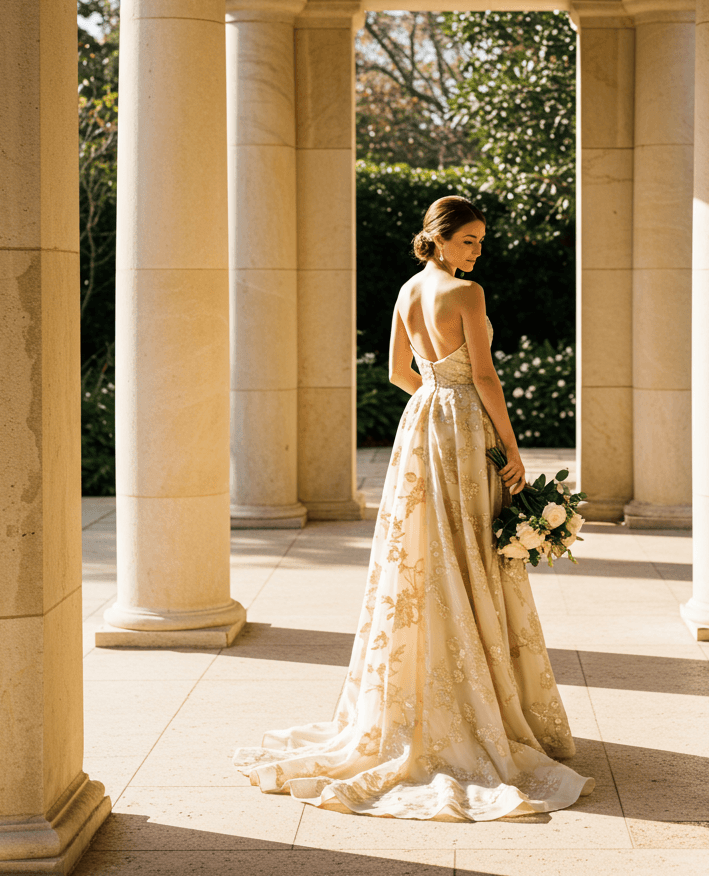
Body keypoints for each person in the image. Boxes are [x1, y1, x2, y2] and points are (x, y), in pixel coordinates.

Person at [233, 195, 594, 820]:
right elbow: (485, 377)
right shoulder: (467, 294)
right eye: (469, 241)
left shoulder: (406, 291)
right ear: (441, 238)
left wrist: (432, 395)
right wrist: (509, 449)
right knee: (467, 549)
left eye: (480, 241)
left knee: (424, 552)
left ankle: (421, 698)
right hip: (462, 426)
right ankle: (476, 701)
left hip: (422, 424)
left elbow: (399, 370)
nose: (477, 251)